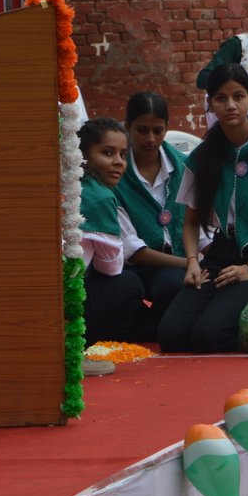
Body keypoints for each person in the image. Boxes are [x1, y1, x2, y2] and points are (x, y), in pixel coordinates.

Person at [159, 64, 248, 353]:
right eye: (221, 98)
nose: (230, 105)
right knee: (171, 334)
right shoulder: (205, 154)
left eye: (238, 96)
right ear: (210, 104)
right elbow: (190, 222)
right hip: (222, 252)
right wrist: (192, 262)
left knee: (208, 335)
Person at [116, 92, 189, 328]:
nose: (150, 139)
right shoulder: (115, 172)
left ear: (167, 127)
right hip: (133, 266)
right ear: (128, 127)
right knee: (125, 287)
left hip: (175, 264)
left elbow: (196, 222)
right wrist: (189, 262)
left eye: (158, 131)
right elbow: (132, 249)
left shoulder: (183, 167)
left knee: (173, 284)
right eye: (141, 130)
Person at [78, 118, 150, 345]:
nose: (118, 162)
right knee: (129, 283)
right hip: (66, 299)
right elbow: (110, 267)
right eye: (108, 153)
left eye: (123, 155)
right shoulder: (99, 196)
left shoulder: (67, 184)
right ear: (84, 155)